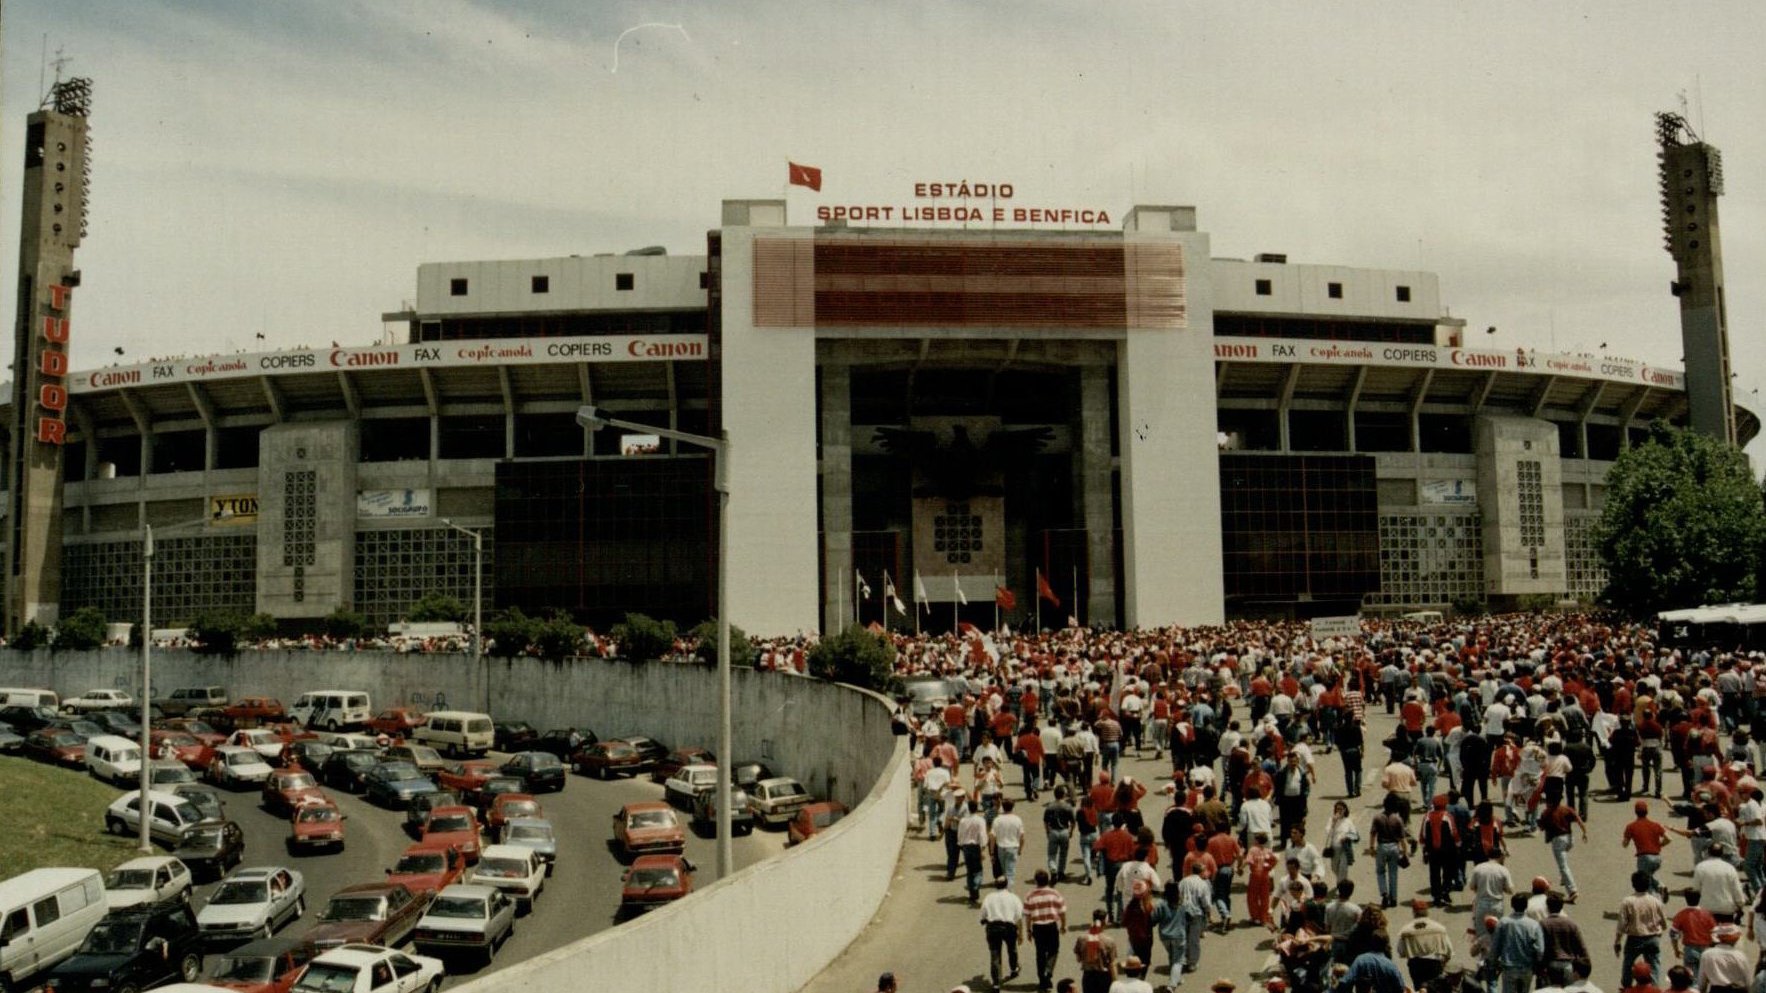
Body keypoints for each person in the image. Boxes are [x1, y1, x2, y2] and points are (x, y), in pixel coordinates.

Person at [1616, 871, 1669, 990]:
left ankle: (1627, 987)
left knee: (1628, 963)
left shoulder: (1627, 901)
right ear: (1648, 884)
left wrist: (1617, 941)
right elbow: (1664, 923)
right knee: (1654, 965)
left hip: (1634, 938)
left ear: (1633, 884)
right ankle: (1654, 988)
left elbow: (1621, 925)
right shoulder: (1655, 901)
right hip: (1653, 938)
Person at [1490, 893, 1546, 993]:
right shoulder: (1533, 925)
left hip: (1509, 968)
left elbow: (1495, 946)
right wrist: (1537, 965)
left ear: (1512, 905)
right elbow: (1540, 950)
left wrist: (1493, 963)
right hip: (1527, 967)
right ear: (1526, 906)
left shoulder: (1503, 922)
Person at [1539, 797, 1590, 902]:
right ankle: (1564, 878)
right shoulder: (1567, 809)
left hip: (1558, 841)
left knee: (1563, 866)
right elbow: (1578, 820)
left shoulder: (1547, 813)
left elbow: (1541, 827)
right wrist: (1584, 832)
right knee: (1563, 860)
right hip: (1569, 839)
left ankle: (1572, 891)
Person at [1024, 870, 1067, 993]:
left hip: (1037, 927)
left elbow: (1027, 915)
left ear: (1036, 881)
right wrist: (1063, 925)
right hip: (1051, 926)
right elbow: (1062, 911)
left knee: (1040, 953)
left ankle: (1042, 979)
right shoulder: (1055, 893)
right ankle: (1048, 971)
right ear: (1047, 880)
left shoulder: (1030, 895)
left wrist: (1028, 930)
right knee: (1054, 950)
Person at [980, 875, 1025, 992]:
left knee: (995, 955)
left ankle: (996, 983)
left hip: (993, 928)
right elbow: (1019, 918)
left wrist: (984, 919)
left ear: (995, 885)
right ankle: (1014, 969)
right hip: (1009, 927)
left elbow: (983, 914)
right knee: (1012, 949)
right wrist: (1020, 934)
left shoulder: (989, 897)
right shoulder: (1013, 897)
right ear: (1006, 884)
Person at [1396, 899, 1453, 989]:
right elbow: (1449, 949)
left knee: (1420, 989)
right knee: (1435, 989)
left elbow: (1401, 951)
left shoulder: (1406, 930)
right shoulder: (1439, 928)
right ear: (1427, 912)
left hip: (1416, 965)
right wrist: (1445, 961)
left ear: (1414, 912)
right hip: (1434, 964)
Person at [1368, 793, 1412, 909]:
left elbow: (1373, 834)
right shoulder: (1398, 819)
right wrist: (1405, 853)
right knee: (1393, 873)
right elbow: (1402, 839)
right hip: (1394, 847)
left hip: (1382, 847)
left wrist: (1372, 848)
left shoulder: (1377, 817)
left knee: (1380, 871)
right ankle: (1394, 898)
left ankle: (1384, 893)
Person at [1623, 800, 1673, 897]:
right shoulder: (1655, 825)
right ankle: (1660, 886)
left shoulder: (1631, 826)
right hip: (1657, 858)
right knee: (1649, 876)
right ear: (1647, 811)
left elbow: (1625, 844)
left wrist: (1624, 842)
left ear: (1635, 812)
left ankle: (1654, 901)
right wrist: (1659, 845)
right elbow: (1669, 838)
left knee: (1645, 882)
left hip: (1644, 858)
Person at [1540, 893, 1590, 987]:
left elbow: (1539, 947)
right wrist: (1586, 963)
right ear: (1561, 907)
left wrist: (1538, 966)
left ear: (1547, 907)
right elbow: (1581, 946)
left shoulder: (1543, 924)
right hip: (1568, 965)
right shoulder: (1571, 924)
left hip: (1550, 965)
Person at [1149, 880, 1187, 983]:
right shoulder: (1182, 903)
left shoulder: (1161, 904)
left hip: (1165, 936)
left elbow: (1153, 919)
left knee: (1172, 956)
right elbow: (1188, 917)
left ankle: (1177, 977)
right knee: (1178, 961)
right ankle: (1172, 984)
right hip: (1179, 936)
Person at [1671, 890, 1716, 975]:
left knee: (1691, 976)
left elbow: (1674, 934)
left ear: (1686, 899)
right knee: (1705, 976)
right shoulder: (1707, 914)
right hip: (1706, 949)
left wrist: (1676, 949)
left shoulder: (1681, 914)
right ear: (1699, 899)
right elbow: (1715, 932)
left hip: (1690, 949)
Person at [1074, 909, 1119, 993]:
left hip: (1088, 977)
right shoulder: (1109, 941)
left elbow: (1078, 959)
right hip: (1104, 977)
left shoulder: (1081, 939)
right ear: (1105, 921)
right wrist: (1116, 982)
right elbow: (1112, 964)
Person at [1692, 924, 1747, 993]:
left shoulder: (1707, 954)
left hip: (1716, 990)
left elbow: (1702, 982)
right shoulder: (1739, 955)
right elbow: (1746, 980)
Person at [1244, 832, 1279, 929]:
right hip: (1265, 875)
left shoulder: (1253, 849)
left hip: (1255, 875)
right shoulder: (1267, 851)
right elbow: (1275, 860)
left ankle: (1255, 917)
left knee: (1252, 897)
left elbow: (1248, 861)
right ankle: (1264, 918)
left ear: (1257, 840)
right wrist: (1270, 867)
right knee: (1265, 897)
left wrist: (1240, 868)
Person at [959, 802, 990, 905]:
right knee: (978, 870)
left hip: (966, 846)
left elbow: (960, 834)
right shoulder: (980, 820)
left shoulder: (963, 820)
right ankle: (976, 886)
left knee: (969, 870)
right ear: (976, 808)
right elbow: (982, 834)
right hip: (976, 846)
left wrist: (961, 844)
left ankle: (972, 892)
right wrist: (983, 847)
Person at [1046, 786, 1077, 882]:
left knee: (1052, 854)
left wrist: (1047, 832)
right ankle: (1061, 872)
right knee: (1063, 854)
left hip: (1053, 831)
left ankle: (1053, 869)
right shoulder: (1068, 807)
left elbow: (1046, 822)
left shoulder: (1050, 806)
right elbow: (1073, 822)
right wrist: (1071, 831)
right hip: (1064, 831)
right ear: (1064, 795)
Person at [1325, 800, 1360, 884]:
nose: (1339, 811)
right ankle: (1342, 880)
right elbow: (1329, 834)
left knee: (1343, 868)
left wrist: (1346, 837)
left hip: (1345, 848)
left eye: (1341, 809)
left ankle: (1341, 884)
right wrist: (1333, 823)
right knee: (1334, 867)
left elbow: (1355, 835)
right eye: (1337, 809)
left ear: (1345, 810)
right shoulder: (1331, 820)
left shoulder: (1348, 821)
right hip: (1334, 848)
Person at [993, 798, 1026, 887]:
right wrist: (1020, 849)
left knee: (1004, 871)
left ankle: (1004, 889)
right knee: (1010, 872)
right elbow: (1022, 836)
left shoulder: (998, 819)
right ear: (1013, 807)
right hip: (1012, 847)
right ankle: (1009, 890)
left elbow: (992, 835)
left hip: (1001, 847)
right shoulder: (1017, 819)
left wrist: (992, 851)